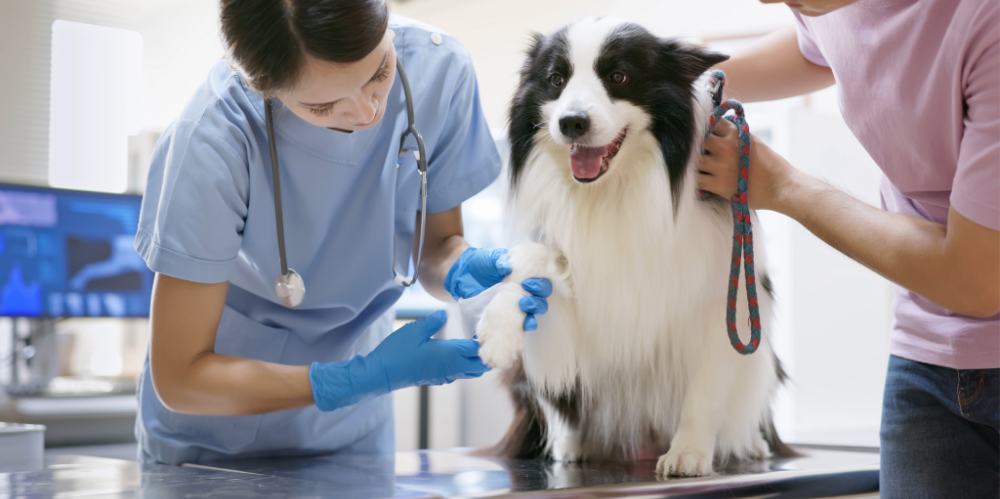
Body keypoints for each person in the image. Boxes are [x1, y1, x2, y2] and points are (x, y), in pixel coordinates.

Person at [134, 0, 551, 465]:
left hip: (354, 429)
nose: (368, 110)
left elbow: (436, 246)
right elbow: (180, 376)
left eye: (379, 72)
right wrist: (352, 379)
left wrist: (462, 268)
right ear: (262, 86)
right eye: (323, 105)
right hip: (214, 437)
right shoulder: (211, 141)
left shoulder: (439, 72)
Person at [698, 0, 999, 496]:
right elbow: (821, 44)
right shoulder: (830, 8)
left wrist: (781, 186)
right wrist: (679, 75)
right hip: (926, 361)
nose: (775, 4)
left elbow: (976, 279)